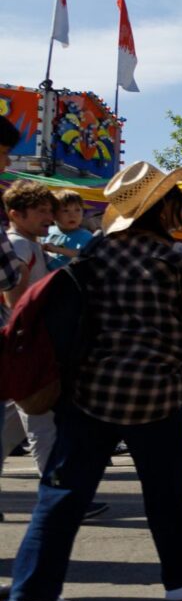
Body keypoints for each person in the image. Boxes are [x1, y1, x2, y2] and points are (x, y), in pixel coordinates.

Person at [5, 162, 182, 601]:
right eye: (177, 198)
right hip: (153, 392)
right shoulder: (174, 259)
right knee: (167, 491)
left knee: (63, 491)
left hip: (87, 390)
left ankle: (33, 590)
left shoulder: (94, 255)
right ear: (163, 208)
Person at [5, 180, 61, 474]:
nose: (49, 218)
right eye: (41, 211)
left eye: (50, 210)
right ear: (16, 214)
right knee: (42, 422)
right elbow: (16, 304)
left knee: (14, 423)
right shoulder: (19, 246)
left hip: (24, 348)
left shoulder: (30, 246)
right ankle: (57, 490)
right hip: (25, 348)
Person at [40, 189, 93, 271]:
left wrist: (57, 249)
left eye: (77, 210)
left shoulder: (85, 236)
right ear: (53, 214)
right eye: (65, 210)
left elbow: (83, 254)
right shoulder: (46, 232)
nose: (73, 215)